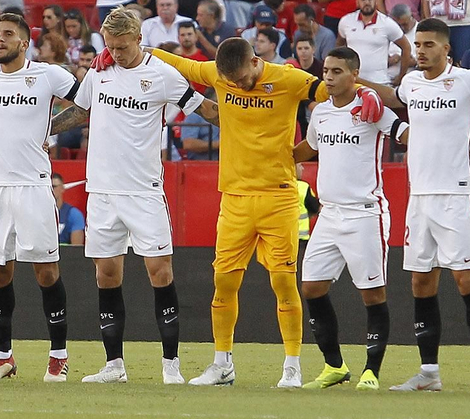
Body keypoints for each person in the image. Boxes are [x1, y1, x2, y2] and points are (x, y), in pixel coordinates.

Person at [138, 34, 378, 390]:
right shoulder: (218, 73)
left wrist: (366, 92)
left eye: (243, 80)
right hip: (234, 197)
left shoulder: (288, 79)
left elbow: (334, 89)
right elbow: (177, 63)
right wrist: (135, 53)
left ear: (255, 61)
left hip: (278, 196)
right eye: (231, 83)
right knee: (224, 281)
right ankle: (222, 364)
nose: (238, 86)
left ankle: (292, 366)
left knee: (283, 281)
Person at [44, 9, 210, 384]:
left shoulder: (163, 75)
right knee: (106, 274)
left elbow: (204, 109)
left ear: (138, 38)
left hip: (143, 190)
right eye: (110, 47)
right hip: (102, 190)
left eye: (122, 46)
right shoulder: (100, 71)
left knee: (160, 270)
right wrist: (46, 131)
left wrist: (249, 121)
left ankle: (171, 366)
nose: (116, 53)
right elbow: (80, 111)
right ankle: (114, 365)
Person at [358, 18, 470, 393]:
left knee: (465, 278)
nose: (421, 51)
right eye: (418, 45)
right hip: (418, 197)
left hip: (456, 194)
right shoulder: (411, 83)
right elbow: (393, 97)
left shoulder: (469, 79)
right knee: (421, 281)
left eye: (428, 45)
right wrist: (358, 80)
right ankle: (429, 373)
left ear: (446, 49)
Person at [0, 13, 79, 382]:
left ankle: (58, 355)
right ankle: (2, 356)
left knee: (45, 271)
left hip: (33, 186)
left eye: (7, 34)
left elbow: (88, 101)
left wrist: (53, 128)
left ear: (24, 43)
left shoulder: (48, 74)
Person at [292, 45, 401, 390]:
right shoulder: (321, 113)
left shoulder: (372, 108)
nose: (329, 77)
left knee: (372, 293)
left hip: (364, 214)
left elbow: (402, 130)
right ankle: (334, 366)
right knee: (311, 287)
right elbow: (307, 149)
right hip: (329, 214)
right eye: (326, 71)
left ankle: (371, 370)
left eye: (337, 71)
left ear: (355, 75)